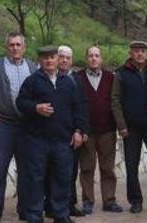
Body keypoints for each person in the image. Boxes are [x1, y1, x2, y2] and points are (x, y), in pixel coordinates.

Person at [16, 46, 87, 223]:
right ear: (39, 60)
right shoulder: (32, 81)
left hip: (63, 141)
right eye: (45, 58)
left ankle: (60, 214)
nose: (49, 61)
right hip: (37, 141)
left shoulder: (68, 82)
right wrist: (36, 108)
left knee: (62, 179)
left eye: (52, 57)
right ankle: (34, 215)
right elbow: (20, 102)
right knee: (36, 179)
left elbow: (78, 108)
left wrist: (78, 131)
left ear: (57, 59)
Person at [0, 32, 37, 223]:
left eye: (18, 45)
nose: (15, 48)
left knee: (26, 170)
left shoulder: (32, 67)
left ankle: (25, 210)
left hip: (26, 126)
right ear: (7, 47)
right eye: (11, 44)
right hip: (3, 124)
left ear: (24, 47)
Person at [111, 41, 147, 214]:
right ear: (131, 53)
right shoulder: (121, 73)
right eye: (136, 51)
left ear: (146, 53)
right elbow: (115, 100)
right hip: (131, 127)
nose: (139, 54)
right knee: (131, 165)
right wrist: (121, 125)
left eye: (142, 51)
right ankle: (135, 200)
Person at [75, 46, 122, 215]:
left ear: (101, 59)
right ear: (86, 58)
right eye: (90, 56)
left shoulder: (111, 77)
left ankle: (109, 200)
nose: (94, 58)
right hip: (87, 131)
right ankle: (88, 201)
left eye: (97, 55)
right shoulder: (77, 77)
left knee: (107, 168)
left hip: (107, 129)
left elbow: (116, 101)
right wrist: (79, 129)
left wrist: (120, 125)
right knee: (87, 168)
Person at [44, 46, 87, 218]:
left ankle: (69, 205)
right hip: (50, 134)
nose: (64, 60)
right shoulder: (45, 77)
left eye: (67, 58)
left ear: (72, 60)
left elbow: (83, 106)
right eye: (61, 57)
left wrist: (81, 130)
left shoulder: (77, 79)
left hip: (72, 134)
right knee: (50, 172)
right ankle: (50, 206)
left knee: (70, 171)